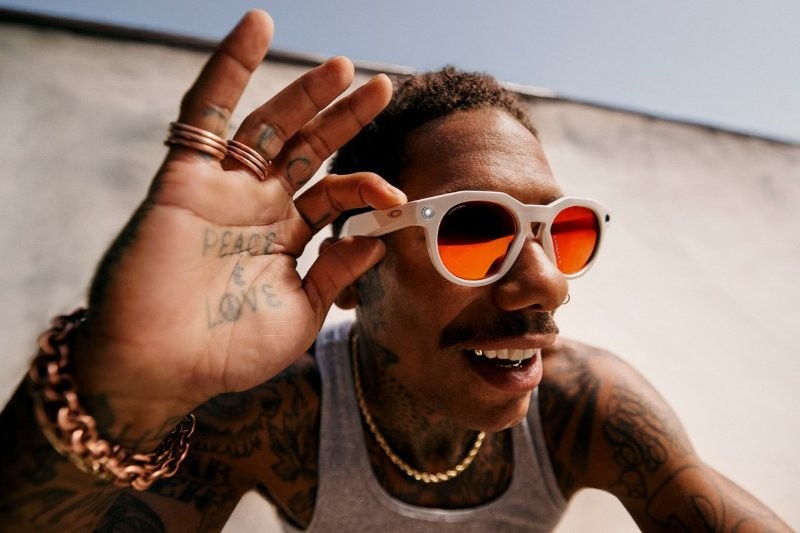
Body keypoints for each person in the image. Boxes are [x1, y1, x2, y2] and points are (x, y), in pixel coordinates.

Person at [0, 9, 790, 532]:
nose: (549, 284)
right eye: (475, 229)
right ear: (353, 268)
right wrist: (117, 389)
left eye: (564, 230)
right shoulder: (273, 411)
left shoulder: (583, 405)